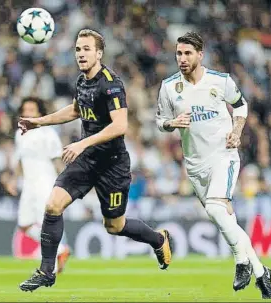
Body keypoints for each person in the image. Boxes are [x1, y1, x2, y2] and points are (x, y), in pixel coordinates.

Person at [18, 29, 172, 292]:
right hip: (86, 161)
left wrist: (82, 142)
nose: (81, 53)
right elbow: (76, 110)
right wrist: (39, 122)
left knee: (115, 226)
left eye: (86, 49)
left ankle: (158, 240)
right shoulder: (82, 81)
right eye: (78, 49)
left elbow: (120, 125)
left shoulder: (111, 83)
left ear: (99, 53)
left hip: (112, 164)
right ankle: (46, 271)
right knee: (53, 205)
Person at [156, 32, 271, 300]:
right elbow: (160, 120)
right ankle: (260, 272)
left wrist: (237, 130)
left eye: (188, 53)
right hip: (194, 165)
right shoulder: (168, 87)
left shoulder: (220, 82)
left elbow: (241, 106)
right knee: (224, 218)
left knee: (214, 207)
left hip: (224, 155)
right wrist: (172, 124)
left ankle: (241, 261)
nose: (182, 59)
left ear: (200, 54)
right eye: (179, 53)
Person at [12, 97, 70, 273]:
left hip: (45, 183)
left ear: (40, 113)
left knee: (44, 223)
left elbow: (58, 161)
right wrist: (13, 180)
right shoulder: (20, 133)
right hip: (28, 185)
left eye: (32, 110)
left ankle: (52, 260)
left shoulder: (48, 133)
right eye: (25, 109)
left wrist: (65, 184)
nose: (28, 113)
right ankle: (61, 250)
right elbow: (20, 160)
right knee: (24, 224)